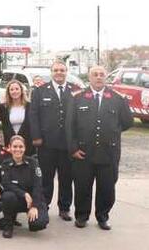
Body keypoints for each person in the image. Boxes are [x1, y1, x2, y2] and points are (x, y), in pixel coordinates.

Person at [67, 65, 133, 230]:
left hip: (108, 153)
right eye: (95, 75)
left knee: (107, 188)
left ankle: (103, 217)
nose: (98, 77)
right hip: (83, 152)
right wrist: (73, 148)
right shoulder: (77, 97)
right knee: (82, 186)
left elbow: (127, 122)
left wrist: (112, 131)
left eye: (101, 74)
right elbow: (70, 126)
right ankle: (82, 216)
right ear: (89, 78)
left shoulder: (117, 98)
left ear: (106, 77)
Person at [30, 60, 77, 221]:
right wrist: (36, 137)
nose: (59, 73)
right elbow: (33, 115)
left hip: (67, 144)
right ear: (51, 72)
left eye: (62, 70)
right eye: (56, 70)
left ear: (66, 72)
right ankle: (44, 206)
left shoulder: (74, 91)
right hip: (46, 144)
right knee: (46, 178)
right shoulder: (40, 91)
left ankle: (64, 208)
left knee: (66, 178)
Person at [0, 135, 49, 238]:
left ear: (25, 148)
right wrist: (24, 194)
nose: (18, 149)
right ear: (9, 147)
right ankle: (8, 225)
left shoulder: (33, 163)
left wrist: (34, 205)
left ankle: (7, 220)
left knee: (38, 225)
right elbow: (7, 184)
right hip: (17, 199)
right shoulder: (6, 164)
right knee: (7, 196)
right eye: (15, 146)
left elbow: (37, 185)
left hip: (33, 199)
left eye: (21, 147)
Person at [0, 79, 33, 155]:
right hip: (10, 142)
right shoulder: (3, 107)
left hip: (27, 142)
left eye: (17, 89)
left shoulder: (30, 106)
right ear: (8, 92)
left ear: (21, 91)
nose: (14, 91)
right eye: (11, 89)